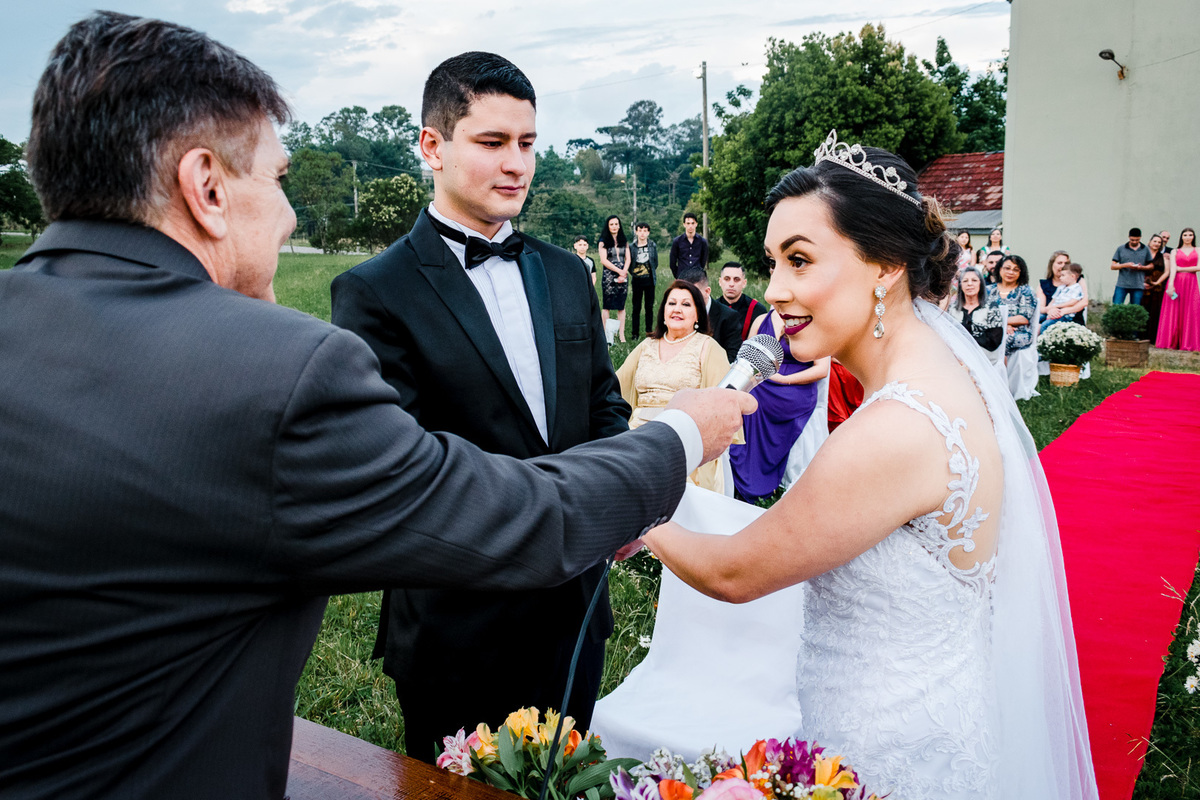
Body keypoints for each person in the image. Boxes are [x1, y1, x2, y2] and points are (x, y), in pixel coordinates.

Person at [0, 17, 756, 799]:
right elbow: (486, 508)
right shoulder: (280, 370)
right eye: (280, 179)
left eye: (527, 143)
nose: (290, 215)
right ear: (208, 186)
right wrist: (679, 435)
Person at [632, 131, 1097, 799]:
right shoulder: (948, 378)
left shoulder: (895, 429)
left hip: (888, 758)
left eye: (799, 261)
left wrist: (638, 512)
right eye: (772, 263)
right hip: (935, 727)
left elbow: (735, 572)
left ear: (884, 266)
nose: (776, 290)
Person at [330, 52, 643, 763]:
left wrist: (617, 497)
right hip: (458, 624)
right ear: (432, 147)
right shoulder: (374, 292)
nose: (517, 165)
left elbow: (601, 401)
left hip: (575, 612)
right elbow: (399, 473)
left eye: (528, 144)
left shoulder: (567, 274)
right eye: (493, 142)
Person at [616, 281, 734, 493]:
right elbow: (615, 384)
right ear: (663, 311)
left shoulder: (708, 348)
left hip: (682, 436)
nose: (677, 309)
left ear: (698, 314)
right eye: (672, 303)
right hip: (636, 434)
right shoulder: (646, 346)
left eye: (686, 304)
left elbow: (722, 402)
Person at [729, 305, 830, 502]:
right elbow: (746, 355)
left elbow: (822, 370)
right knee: (749, 398)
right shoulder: (760, 321)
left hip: (796, 386)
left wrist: (783, 379)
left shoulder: (816, 323)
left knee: (760, 398)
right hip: (762, 382)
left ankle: (763, 477)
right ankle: (741, 474)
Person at [680, 267, 741, 362]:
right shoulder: (678, 314)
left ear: (707, 292)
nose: (689, 300)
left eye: (694, 294)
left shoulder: (728, 317)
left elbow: (732, 357)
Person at [1157, 227, 1200, 351]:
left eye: (1190, 235)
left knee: (1190, 309)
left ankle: (1188, 342)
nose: (1187, 237)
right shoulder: (1175, 251)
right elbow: (1173, 269)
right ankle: (1170, 341)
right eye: (1185, 234)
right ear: (1181, 237)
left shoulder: (1198, 250)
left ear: (1193, 237)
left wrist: (1181, 269)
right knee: (1173, 309)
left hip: (1191, 283)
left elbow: (1199, 267)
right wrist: (1170, 285)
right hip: (1177, 281)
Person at [989, 254, 1037, 357]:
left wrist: (1002, 323)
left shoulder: (1026, 291)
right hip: (990, 329)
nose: (1011, 272)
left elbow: (1024, 318)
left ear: (1021, 273)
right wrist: (1002, 325)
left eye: (1016, 270)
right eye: (1007, 268)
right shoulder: (988, 290)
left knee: (1002, 338)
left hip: (1018, 332)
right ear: (1000, 269)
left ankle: (998, 371)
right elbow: (981, 313)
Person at [950, 265, 1004, 350]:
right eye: (965, 281)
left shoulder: (991, 307)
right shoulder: (952, 309)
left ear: (981, 284)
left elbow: (994, 341)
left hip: (984, 356)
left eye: (974, 280)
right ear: (960, 285)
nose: (970, 284)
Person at [599, 214, 631, 342]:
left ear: (619, 225)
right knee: (607, 305)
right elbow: (603, 260)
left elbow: (628, 258)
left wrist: (624, 271)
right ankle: (607, 334)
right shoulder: (603, 241)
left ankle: (621, 334)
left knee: (621, 306)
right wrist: (619, 271)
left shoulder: (624, 240)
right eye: (611, 224)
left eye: (616, 224)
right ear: (608, 226)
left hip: (623, 275)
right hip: (609, 276)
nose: (614, 227)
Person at [717, 261, 763, 339]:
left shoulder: (757, 310)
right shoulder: (712, 308)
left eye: (736, 279)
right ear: (720, 282)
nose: (731, 284)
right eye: (727, 279)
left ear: (744, 283)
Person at [629, 222, 658, 338]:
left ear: (648, 233)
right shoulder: (632, 247)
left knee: (649, 306)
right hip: (636, 281)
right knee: (636, 307)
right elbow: (629, 263)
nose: (642, 233)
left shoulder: (652, 245)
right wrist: (636, 273)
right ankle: (635, 333)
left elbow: (655, 262)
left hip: (649, 280)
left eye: (645, 231)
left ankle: (649, 331)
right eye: (640, 230)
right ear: (636, 232)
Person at [1110, 227, 1152, 304]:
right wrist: (1125, 265)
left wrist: (1141, 267)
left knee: (1135, 309)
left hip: (1138, 285)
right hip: (1122, 284)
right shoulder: (1121, 248)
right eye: (1132, 240)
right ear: (1129, 237)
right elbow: (1113, 266)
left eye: (1137, 240)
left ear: (1140, 238)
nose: (1134, 242)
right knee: (1117, 306)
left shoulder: (1145, 249)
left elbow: (1151, 265)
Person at [1041, 263, 1087, 331]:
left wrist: (1057, 306)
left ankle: (1043, 340)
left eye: (1063, 275)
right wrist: (1050, 309)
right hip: (1054, 311)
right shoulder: (1061, 287)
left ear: (1072, 276)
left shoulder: (1076, 288)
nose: (1060, 278)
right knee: (1038, 317)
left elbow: (1072, 302)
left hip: (1065, 316)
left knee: (1045, 325)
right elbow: (1054, 300)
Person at [1141, 235, 1170, 340]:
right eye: (1155, 241)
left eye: (1159, 242)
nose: (1157, 244)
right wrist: (1141, 282)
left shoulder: (1164, 257)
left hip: (1157, 288)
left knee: (1155, 311)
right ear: (1150, 242)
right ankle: (1141, 336)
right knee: (1142, 310)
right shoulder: (1142, 255)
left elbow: (1166, 272)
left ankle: (1152, 337)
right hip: (1143, 287)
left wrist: (1157, 282)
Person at [669, 211, 709, 278]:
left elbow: (703, 261)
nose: (690, 226)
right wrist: (678, 276)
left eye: (692, 223)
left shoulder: (702, 242)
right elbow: (672, 263)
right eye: (688, 223)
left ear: (696, 224)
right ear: (684, 224)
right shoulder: (677, 241)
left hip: (697, 277)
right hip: (682, 276)